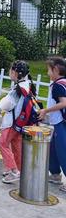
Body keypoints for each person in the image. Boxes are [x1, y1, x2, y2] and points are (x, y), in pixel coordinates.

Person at [0, 61, 35, 184]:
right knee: (16, 146)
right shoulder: (28, 85)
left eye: (10, 70)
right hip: (21, 122)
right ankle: (18, 169)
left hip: (12, 122)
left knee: (3, 143)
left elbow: (4, 104)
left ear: (15, 72)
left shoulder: (18, 89)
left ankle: (14, 171)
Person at [38, 57, 66, 191]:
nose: (47, 73)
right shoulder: (63, 82)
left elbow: (63, 103)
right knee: (53, 149)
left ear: (55, 70)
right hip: (58, 123)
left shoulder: (57, 85)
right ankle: (55, 174)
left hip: (61, 123)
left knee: (62, 151)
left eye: (48, 70)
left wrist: (45, 111)